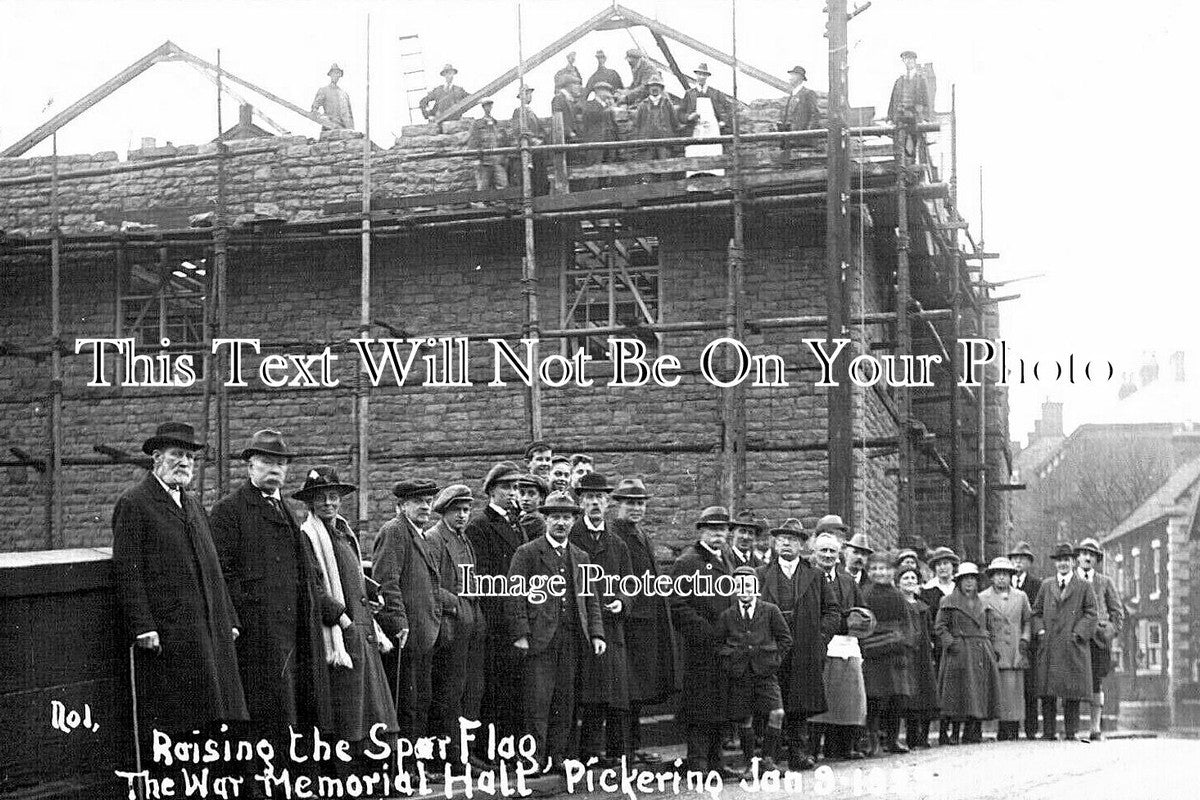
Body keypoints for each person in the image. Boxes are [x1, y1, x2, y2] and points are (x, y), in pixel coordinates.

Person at [112, 422, 247, 746]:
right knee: (182, 721)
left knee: (217, 718)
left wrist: (228, 618)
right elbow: (128, 572)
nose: (185, 462)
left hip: (209, 630)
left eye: (189, 456)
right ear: (157, 458)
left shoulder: (193, 504)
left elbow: (212, 567)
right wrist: (143, 626)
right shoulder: (136, 503)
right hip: (170, 633)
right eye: (177, 455)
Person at [210, 430, 333, 747]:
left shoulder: (289, 512)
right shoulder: (230, 510)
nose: (274, 469)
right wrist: (244, 618)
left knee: (298, 711)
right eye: (266, 462)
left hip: (297, 630)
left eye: (281, 463)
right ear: (250, 466)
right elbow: (222, 573)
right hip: (259, 635)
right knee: (268, 715)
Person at [294, 467, 398, 760]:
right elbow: (313, 584)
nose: (328, 503)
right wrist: (342, 617)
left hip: (363, 629)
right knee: (351, 711)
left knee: (375, 707)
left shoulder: (342, 533)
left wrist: (372, 591)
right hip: (341, 632)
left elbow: (352, 572)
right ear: (310, 503)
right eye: (321, 498)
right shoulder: (308, 536)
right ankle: (355, 776)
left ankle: (380, 775)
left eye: (333, 496)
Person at [507, 491, 606, 774]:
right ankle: (533, 758)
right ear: (546, 519)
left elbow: (591, 599)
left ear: (575, 521)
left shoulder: (581, 556)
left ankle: (557, 756)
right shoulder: (528, 553)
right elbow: (515, 596)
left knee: (565, 700)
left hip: (572, 638)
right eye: (555, 517)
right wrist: (521, 633)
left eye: (566, 517)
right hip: (540, 639)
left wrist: (597, 634)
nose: (561, 523)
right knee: (538, 701)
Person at [373, 477, 456, 740]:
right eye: (417, 501)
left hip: (425, 633)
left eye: (428, 501)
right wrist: (399, 624)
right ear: (401, 505)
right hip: (406, 635)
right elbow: (386, 581)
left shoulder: (419, 534)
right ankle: (403, 767)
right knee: (405, 703)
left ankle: (417, 765)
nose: (425, 506)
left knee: (421, 699)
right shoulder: (395, 531)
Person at [757, 519, 840, 771]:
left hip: (805, 647)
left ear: (802, 545)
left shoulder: (815, 576)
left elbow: (833, 611)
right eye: (781, 539)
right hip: (772, 646)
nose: (786, 543)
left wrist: (820, 638)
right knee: (772, 700)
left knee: (800, 703)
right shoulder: (761, 574)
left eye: (792, 539)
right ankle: (769, 755)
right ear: (775, 543)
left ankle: (798, 753)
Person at [609, 478, 676, 764]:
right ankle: (621, 749)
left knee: (637, 691)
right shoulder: (615, 535)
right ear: (618, 505)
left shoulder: (639, 533)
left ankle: (632, 746)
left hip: (646, 622)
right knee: (626, 689)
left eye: (640, 503)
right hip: (630, 621)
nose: (636, 508)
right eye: (630, 503)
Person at [569, 473, 633, 765]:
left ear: (607, 503)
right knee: (589, 692)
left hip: (613, 627)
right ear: (580, 502)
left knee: (616, 693)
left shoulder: (617, 544)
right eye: (589, 498)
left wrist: (622, 601)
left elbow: (630, 584)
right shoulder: (571, 537)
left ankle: (619, 753)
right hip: (582, 627)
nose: (594, 503)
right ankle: (588, 753)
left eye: (600, 498)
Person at [670, 506, 738, 777]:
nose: (718, 534)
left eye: (722, 529)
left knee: (720, 704)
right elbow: (677, 604)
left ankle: (716, 763)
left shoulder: (728, 559)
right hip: (701, 646)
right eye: (712, 529)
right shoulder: (688, 561)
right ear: (700, 531)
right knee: (700, 706)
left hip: (726, 644)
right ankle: (697, 763)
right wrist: (706, 632)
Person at [426, 484, 487, 767]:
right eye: (457, 511)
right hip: (453, 624)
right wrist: (457, 605)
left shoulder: (464, 540)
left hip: (473, 622)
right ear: (444, 512)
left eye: (466, 510)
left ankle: (468, 751)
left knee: (472, 690)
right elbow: (429, 585)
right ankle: (452, 756)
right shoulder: (435, 539)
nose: (463, 516)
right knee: (452, 691)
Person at [465, 461, 527, 740]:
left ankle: (509, 746)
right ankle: (493, 749)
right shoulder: (480, 525)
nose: (513, 493)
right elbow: (484, 577)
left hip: (517, 616)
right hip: (496, 620)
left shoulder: (516, 525)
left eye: (515, 487)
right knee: (494, 689)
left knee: (514, 687)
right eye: (506, 488)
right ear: (491, 491)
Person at [717, 565, 792, 777]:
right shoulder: (728, 615)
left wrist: (774, 660)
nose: (745, 590)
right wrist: (730, 661)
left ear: (756, 588)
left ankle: (768, 759)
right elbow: (718, 643)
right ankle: (752, 764)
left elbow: (785, 639)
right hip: (740, 674)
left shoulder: (770, 610)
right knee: (745, 718)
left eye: (749, 585)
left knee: (777, 712)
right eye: (739, 586)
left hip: (766, 673)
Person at [807, 530, 870, 762]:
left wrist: (855, 621)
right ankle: (811, 749)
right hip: (817, 641)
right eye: (823, 550)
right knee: (817, 696)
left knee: (847, 697)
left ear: (839, 554)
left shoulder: (847, 580)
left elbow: (862, 611)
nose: (827, 555)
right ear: (814, 553)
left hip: (845, 644)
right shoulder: (806, 576)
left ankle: (842, 747)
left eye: (832, 551)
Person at [1031, 542, 1098, 741]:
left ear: (1073, 561)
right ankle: (1049, 731)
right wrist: (1041, 631)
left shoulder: (1084, 586)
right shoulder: (1046, 585)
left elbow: (1091, 613)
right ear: (1055, 563)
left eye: (1067, 560)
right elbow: (1036, 612)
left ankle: (1071, 731)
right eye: (1059, 560)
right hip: (1050, 644)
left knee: (1072, 690)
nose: (1063, 564)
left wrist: (1078, 634)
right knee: (1048, 691)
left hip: (1072, 645)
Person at [933, 562, 1000, 745]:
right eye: (965, 579)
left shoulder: (984, 603)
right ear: (959, 581)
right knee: (956, 692)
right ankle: (952, 733)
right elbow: (940, 627)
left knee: (977, 692)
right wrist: (950, 642)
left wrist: (993, 649)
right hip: (959, 651)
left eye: (973, 579)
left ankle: (972, 731)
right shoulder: (948, 601)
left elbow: (991, 628)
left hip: (980, 651)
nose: (969, 582)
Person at [860, 552, 914, 755]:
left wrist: (905, 644)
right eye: (874, 569)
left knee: (896, 698)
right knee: (874, 699)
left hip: (895, 653)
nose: (879, 573)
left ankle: (893, 739)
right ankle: (872, 740)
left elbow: (907, 623)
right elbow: (861, 621)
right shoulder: (865, 594)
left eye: (883, 569)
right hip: (873, 651)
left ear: (892, 572)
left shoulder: (898, 595)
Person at [1075, 537, 1123, 741]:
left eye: (1091, 555)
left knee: (1096, 683)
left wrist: (1109, 630)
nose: (1087, 557)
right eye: (1084, 553)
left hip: (1098, 640)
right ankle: (1072, 728)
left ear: (1096, 559)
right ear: (1077, 557)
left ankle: (1095, 728)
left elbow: (1117, 612)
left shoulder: (1104, 582)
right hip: (1075, 638)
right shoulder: (1070, 579)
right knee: (1073, 682)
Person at [979, 556, 1032, 742]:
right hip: (995, 649)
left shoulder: (1021, 596)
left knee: (1015, 690)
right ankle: (1002, 728)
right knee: (999, 690)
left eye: (1005, 575)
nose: (1001, 578)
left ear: (1011, 577)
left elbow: (1028, 621)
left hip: (1016, 649)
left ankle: (1014, 728)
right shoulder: (983, 597)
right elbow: (981, 625)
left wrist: (1025, 639)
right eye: (997, 575)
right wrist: (987, 646)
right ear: (991, 577)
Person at [896, 565, 938, 749]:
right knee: (907, 696)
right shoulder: (897, 605)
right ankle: (908, 737)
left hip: (922, 655)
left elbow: (929, 631)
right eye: (906, 578)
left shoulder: (924, 607)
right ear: (898, 583)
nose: (910, 581)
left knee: (924, 693)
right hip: (905, 653)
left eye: (913, 578)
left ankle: (923, 736)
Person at [920, 545, 958, 744]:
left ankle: (948, 732)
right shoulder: (927, 592)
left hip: (955, 646)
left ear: (953, 567)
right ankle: (926, 735)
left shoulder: (958, 589)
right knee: (934, 688)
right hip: (935, 645)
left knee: (951, 688)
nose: (943, 568)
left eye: (947, 564)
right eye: (939, 564)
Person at [1007, 540, 1042, 739]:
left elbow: (1037, 613)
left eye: (1022, 559)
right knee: (1010, 685)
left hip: (1029, 643)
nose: (1018, 562)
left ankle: (1031, 728)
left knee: (1030, 687)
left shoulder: (1036, 585)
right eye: (1015, 558)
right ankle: (1010, 729)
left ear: (1029, 562)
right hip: (1008, 641)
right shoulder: (1002, 583)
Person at [887, 50, 929, 158]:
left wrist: (925, 118)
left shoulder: (920, 80)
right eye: (906, 59)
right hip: (901, 119)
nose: (908, 62)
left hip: (914, 118)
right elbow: (893, 100)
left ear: (914, 61)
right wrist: (890, 118)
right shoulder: (899, 81)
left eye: (910, 59)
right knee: (900, 149)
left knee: (914, 148)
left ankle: (913, 165)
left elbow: (926, 101)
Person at [633, 75, 680, 164]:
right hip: (647, 144)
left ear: (661, 88)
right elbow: (637, 125)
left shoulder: (667, 104)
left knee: (665, 167)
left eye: (657, 86)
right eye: (652, 86)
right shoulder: (642, 105)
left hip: (664, 143)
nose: (654, 88)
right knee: (648, 169)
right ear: (648, 88)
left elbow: (674, 123)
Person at [580, 81, 619, 188]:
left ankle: (606, 191)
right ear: (597, 91)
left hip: (609, 142)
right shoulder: (589, 105)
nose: (608, 93)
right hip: (595, 143)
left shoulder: (607, 107)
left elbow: (613, 125)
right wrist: (607, 109)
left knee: (608, 168)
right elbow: (592, 116)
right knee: (594, 168)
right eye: (605, 90)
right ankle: (592, 194)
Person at [467, 99, 509, 191]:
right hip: (484, 160)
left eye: (490, 105)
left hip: (497, 159)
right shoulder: (477, 125)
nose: (488, 108)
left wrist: (503, 157)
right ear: (483, 107)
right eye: (486, 106)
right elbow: (473, 142)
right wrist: (476, 159)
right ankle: (482, 204)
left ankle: (500, 203)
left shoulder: (496, 123)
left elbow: (503, 141)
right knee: (483, 186)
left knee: (502, 183)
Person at [312, 63, 354, 130]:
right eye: (334, 73)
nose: (336, 75)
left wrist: (351, 131)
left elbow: (349, 116)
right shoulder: (323, 90)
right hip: (329, 131)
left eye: (338, 73)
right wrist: (322, 117)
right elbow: (314, 109)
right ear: (330, 74)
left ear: (340, 75)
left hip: (343, 131)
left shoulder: (344, 95)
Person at [781, 65, 819, 133]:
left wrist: (808, 134)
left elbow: (814, 116)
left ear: (800, 77)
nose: (790, 78)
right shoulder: (791, 95)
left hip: (802, 140)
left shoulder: (808, 93)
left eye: (793, 75)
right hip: (789, 139)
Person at [514, 473, 549, 540]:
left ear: (542, 497)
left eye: (531, 494)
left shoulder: (533, 518)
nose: (525, 498)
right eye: (522, 493)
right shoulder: (524, 514)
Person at [551, 76, 583, 144]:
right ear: (568, 85)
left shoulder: (570, 99)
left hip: (571, 136)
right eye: (575, 84)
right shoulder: (558, 99)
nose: (578, 87)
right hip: (564, 138)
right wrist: (570, 133)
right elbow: (558, 119)